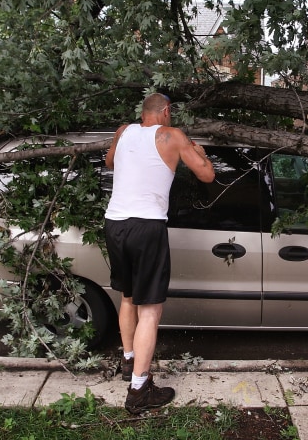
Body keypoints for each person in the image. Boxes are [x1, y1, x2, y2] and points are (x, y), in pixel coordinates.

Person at [104, 93, 215, 414]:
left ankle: (128, 361)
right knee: (150, 310)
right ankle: (138, 390)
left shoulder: (124, 131)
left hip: (115, 223)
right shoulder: (172, 136)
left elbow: (110, 162)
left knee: (127, 296)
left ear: (144, 112)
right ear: (166, 111)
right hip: (146, 227)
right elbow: (207, 175)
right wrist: (199, 153)